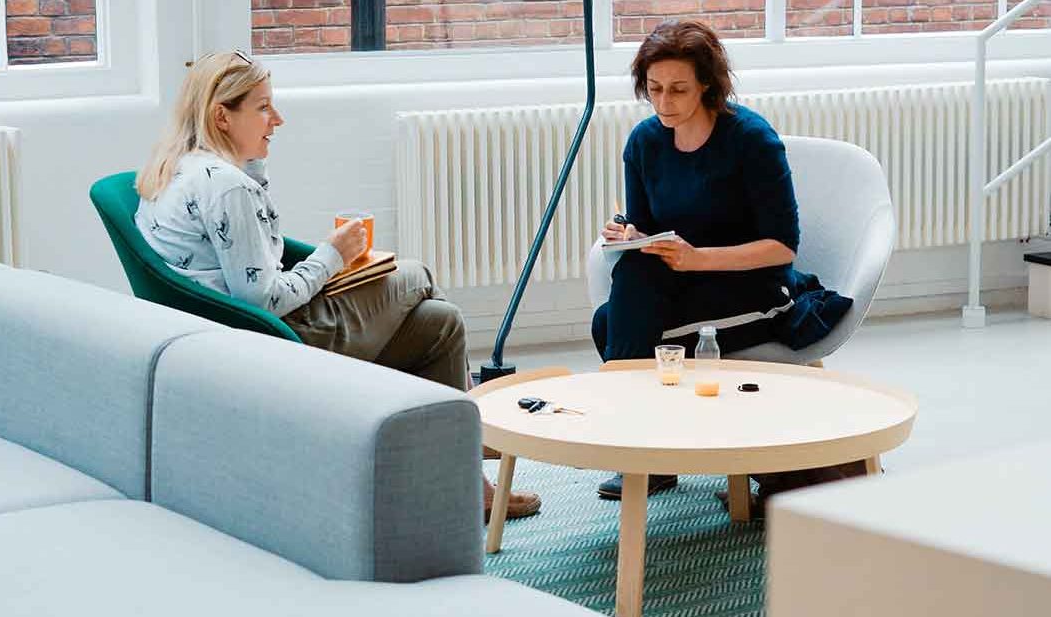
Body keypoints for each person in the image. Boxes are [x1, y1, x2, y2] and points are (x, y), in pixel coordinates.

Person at [134, 50, 539, 522]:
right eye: (263, 107)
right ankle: (473, 431)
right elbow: (260, 298)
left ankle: (466, 482)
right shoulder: (228, 188)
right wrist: (332, 256)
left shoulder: (184, 168)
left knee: (441, 323)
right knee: (416, 274)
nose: (277, 119)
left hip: (234, 336)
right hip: (278, 340)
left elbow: (248, 265)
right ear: (222, 115)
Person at [591, 22, 865, 508]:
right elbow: (648, 228)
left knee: (616, 324)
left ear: (706, 84)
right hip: (685, 285)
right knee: (612, 309)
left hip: (754, 289)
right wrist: (631, 237)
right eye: (654, 89)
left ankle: (642, 445)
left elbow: (782, 247)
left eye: (678, 89)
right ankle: (649, 444)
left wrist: (698, 259)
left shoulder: (750, 140)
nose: (664, 102)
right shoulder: (645, 143)